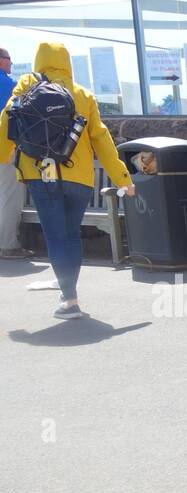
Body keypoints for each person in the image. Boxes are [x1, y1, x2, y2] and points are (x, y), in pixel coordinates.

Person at [0, 42, 133, 314]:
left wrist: (3, 155)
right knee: (70, 235)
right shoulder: (83, 95)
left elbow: (7, 121)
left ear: (39, 61)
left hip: (40, 175)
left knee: (56, 236)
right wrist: (122, 178)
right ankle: (68, 290)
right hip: (80, 178)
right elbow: (102, 138)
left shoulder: (27, 86)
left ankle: (69, 297)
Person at [0, 44, 31, 260]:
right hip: (5, 149)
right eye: (8, 58)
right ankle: (9, 245)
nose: (11, 62)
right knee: (11, 195)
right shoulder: (9, 85)